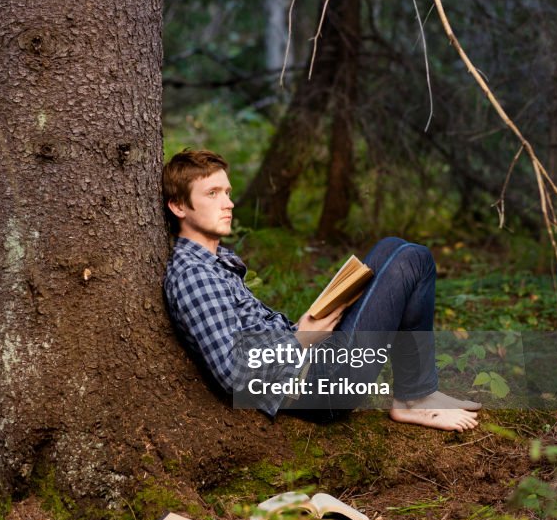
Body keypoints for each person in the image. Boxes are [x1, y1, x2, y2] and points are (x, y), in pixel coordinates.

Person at [162, 148, 480, 432]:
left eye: (228, 192)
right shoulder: (195, 275)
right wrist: (302, 336)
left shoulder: (215, 262)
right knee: (412, 259)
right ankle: (415, 397)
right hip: (316, 387)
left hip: (312, 362)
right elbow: (233, 373)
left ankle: (418, 391)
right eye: (212, 194)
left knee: (391, 247)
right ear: (179, 206)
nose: (229, 203)